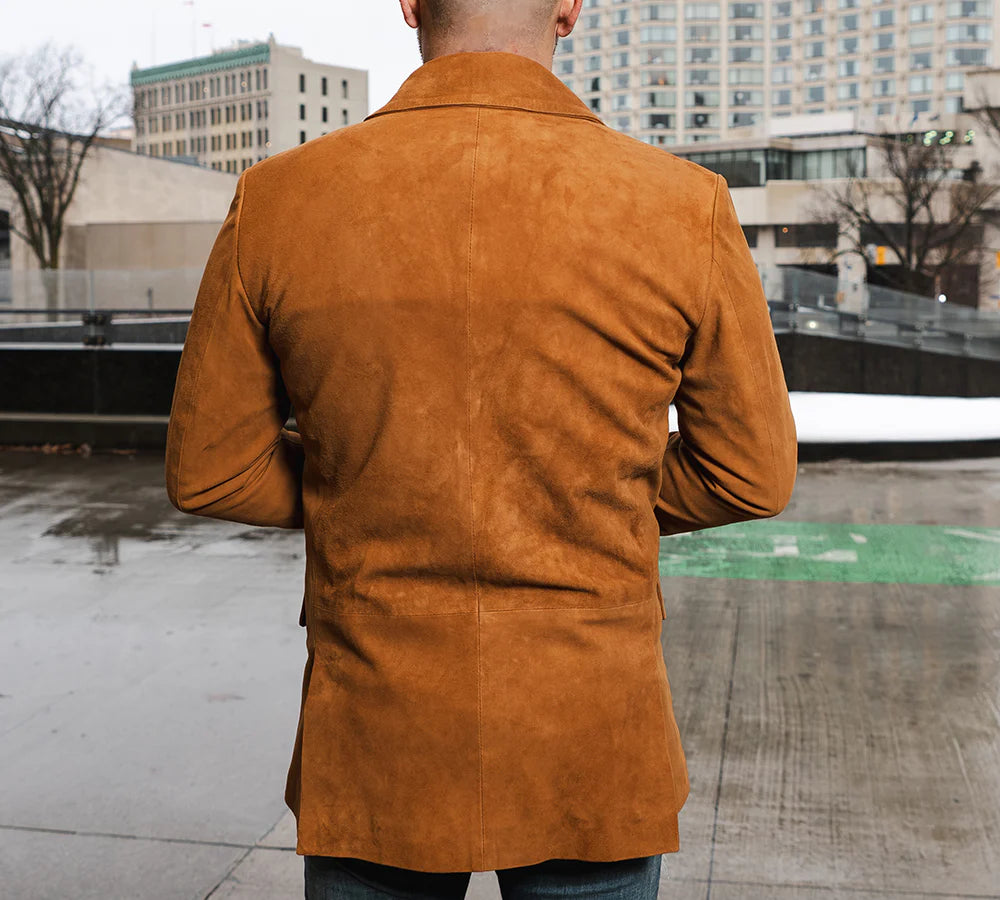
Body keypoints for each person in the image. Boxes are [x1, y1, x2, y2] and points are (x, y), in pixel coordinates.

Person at [163, 0, 798, 896]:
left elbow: (211, 470)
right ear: (571, 7)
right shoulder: (682, 205)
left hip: (379, 722)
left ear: (412, 4)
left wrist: (366, 487)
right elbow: (751, 473)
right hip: (587, 727)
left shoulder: (279, 198)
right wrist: (589, 495)